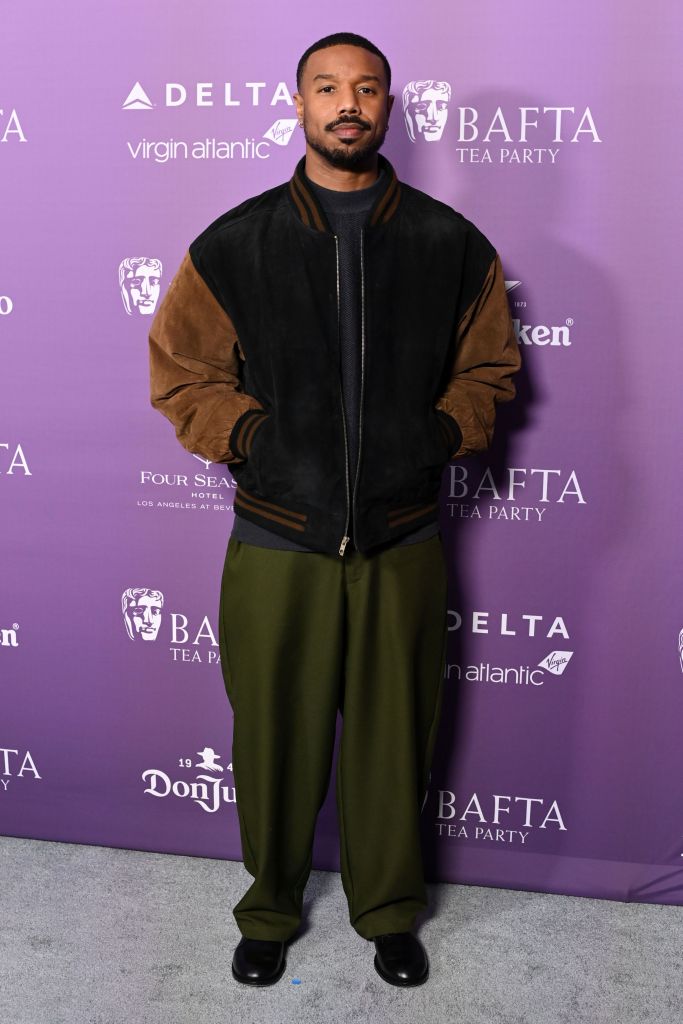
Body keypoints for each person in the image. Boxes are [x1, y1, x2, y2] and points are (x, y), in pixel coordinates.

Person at [148, 31, 521, 988]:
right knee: (272, 732)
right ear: (299, 104)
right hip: (277, 537)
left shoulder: (451, 244)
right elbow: (183, 375)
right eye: (327, 87)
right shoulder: (235, 242)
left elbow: (488, 371)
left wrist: (432, 439)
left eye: (365, 88)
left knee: (395, 736)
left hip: (402, 538)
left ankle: (388, 910)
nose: (346, 103)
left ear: (390, 108)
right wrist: (263, 444)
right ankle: (269, 907)